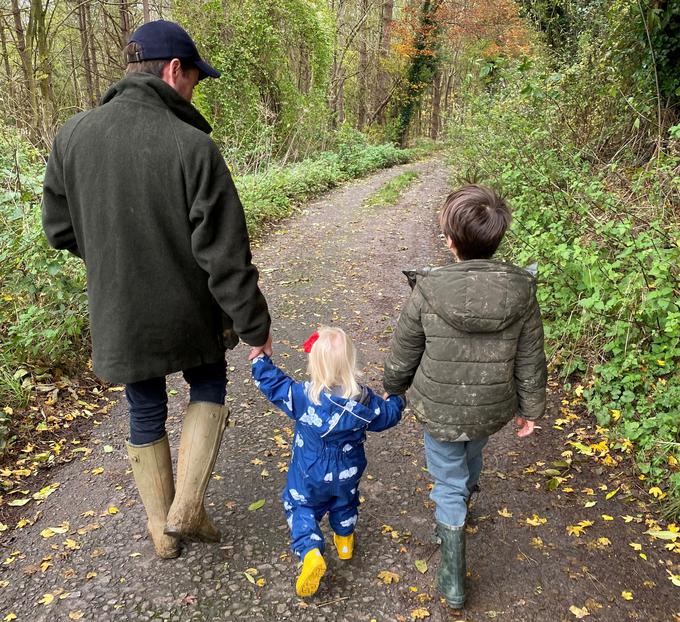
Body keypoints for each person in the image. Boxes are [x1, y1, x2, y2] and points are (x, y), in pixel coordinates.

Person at [41, 20, 272, 559]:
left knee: (143, 407)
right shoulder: (193, 147)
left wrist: (111, 256)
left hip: (119, 308)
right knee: (208, 383)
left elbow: (58, 229)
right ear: (173, 70)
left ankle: (160, 532)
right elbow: (225, 253)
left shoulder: (71, 136)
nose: (194, 90)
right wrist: (252, 325)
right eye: (194, 79)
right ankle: (188, 506)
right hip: (189, 308)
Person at [383, 185, 547, 608]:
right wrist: (531, 408)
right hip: (490, 404)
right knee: (472, 452)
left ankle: (453, 576)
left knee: (447, 480)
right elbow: (530, 355)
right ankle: (466, 495)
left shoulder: (429, 289)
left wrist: (393, 387)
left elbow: (406, 347)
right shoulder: (521, 291)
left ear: (451, 241)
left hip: (439, 408)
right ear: (496, 239)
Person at [250, 327, 405, 597]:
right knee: (345, 501)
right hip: (349, 470)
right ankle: (344, 541)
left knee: (300, 505)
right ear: (350, 363)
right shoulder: (364, 401)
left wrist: (259, 360)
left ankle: (310, 553)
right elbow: (388, 416)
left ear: (314, 364)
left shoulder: (303, 396)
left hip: (310, 472)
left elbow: (274, 385)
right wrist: (397, 400)